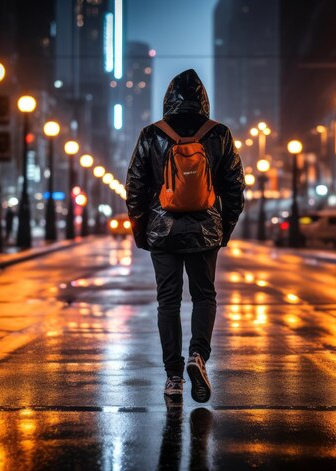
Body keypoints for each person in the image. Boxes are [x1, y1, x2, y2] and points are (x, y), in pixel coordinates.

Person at [125, 69, 244, 402]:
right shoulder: (218, 133)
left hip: (163, 231)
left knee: (168, 301)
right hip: (205, 229)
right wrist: (224, 228)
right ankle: (198, 356)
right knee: (204, 296)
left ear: (168, 98)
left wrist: (142, 229)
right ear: (203, 99)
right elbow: (235, 187)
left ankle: (174, 377)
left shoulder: (152, 134)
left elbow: (134, 185)